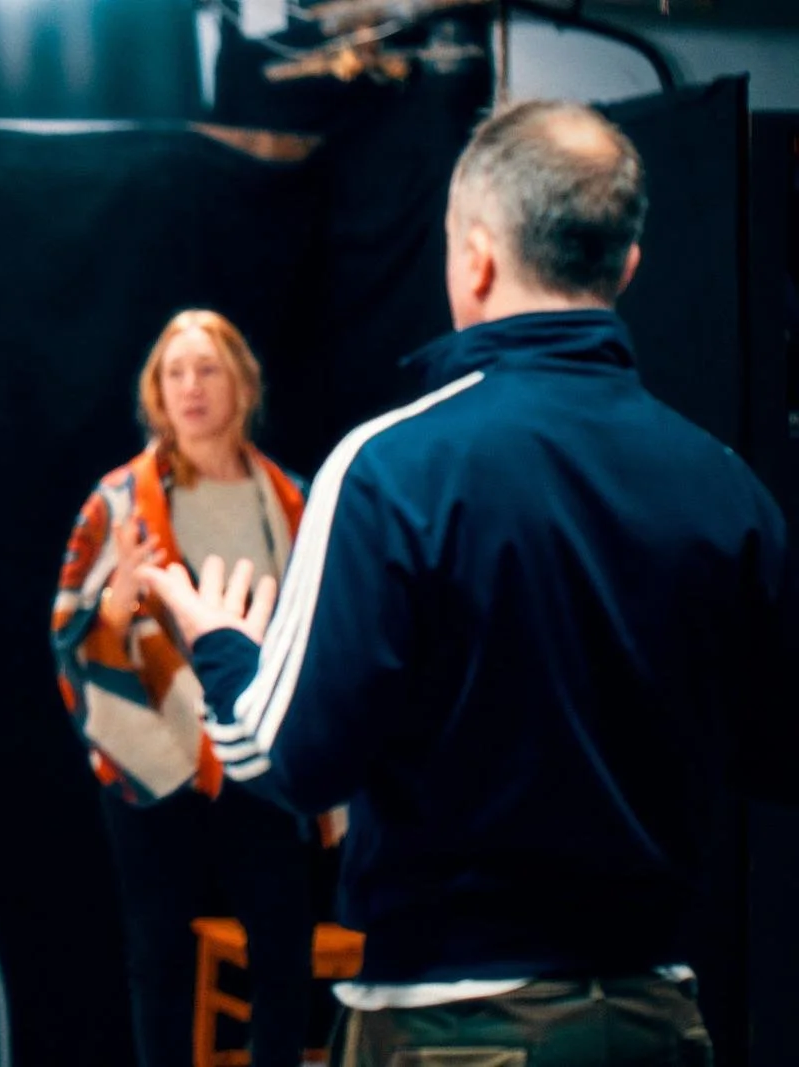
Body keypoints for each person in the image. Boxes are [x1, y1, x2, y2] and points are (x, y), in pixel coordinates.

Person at [140, 100, 793, 1065]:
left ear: (476, 258)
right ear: (626, 267)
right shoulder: (726, 482)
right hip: (665, 1022)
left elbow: (290, 761)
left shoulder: (390, 467)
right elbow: (777, 752)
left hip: (457, 1028)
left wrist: (222, 646)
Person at [50, 309, 324, 1067]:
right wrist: (119, 598)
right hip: (157, 753)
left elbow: (316, 625)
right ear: (156, 393)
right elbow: (74, 627)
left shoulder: (293, 498)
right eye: (177, 372)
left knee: (283, 948)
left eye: (209, 368)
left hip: (261, 748)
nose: (193, 387)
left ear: (242, 382)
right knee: (159, 957)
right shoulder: (120, 499)